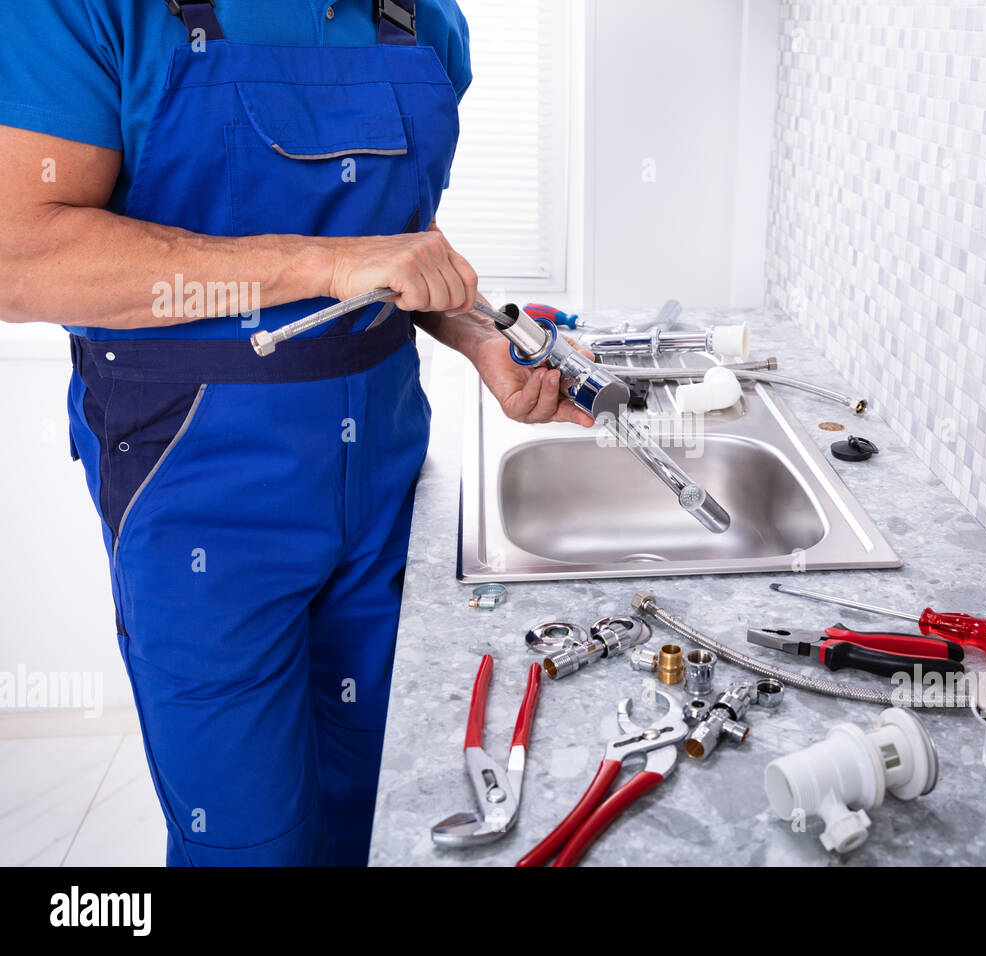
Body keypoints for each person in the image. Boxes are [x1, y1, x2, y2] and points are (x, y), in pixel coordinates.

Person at [0, 0, 590, 865]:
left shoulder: (424, 20)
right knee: (252, 840)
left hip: (386, 480)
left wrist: (479, 339)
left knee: (388, 801)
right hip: (199, 497)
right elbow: (22, 258)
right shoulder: (86, 11)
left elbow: (398, 246)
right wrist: (322, 264)